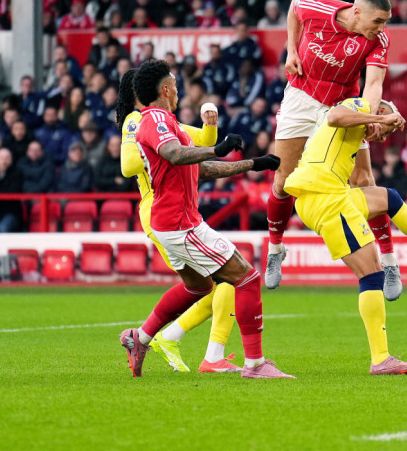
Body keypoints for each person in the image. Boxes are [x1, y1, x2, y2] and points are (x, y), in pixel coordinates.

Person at [283, 96, 407, 374]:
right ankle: (380, 359)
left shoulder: (358, 129)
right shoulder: (361, 107)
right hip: (325, 198)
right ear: (381, 110)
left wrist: (378, 124)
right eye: (386, 128)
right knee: (371, 275)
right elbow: (335, 117)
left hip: (326, 195)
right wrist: (380, 119)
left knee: (387, 198)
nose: (382, 136)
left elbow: (362, 176)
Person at [118, 60, 291, 379]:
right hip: (180, 223)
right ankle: (255, 365)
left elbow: (196, 169)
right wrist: (216, 147)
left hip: (168, 222)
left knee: (198, 286)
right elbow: (175, 154)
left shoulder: (167, 122)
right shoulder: (154, 119)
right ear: (166, 89)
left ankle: (139, 338)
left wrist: (251, 164)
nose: (178, 90)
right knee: (248, 278)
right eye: (175, 84)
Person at [266, 0, 404, 299]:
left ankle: (389, 260)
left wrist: (368, 117)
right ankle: (275, 248)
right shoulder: (318, 8)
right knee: (283, 180)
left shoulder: (377, 39)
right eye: (378, 21)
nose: (382, 29)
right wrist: (291, 49)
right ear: (357, 12)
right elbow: (294, 5)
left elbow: (373, 84)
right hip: (301, 96)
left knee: (364, 179)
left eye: (386, 22)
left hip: (342, 104)